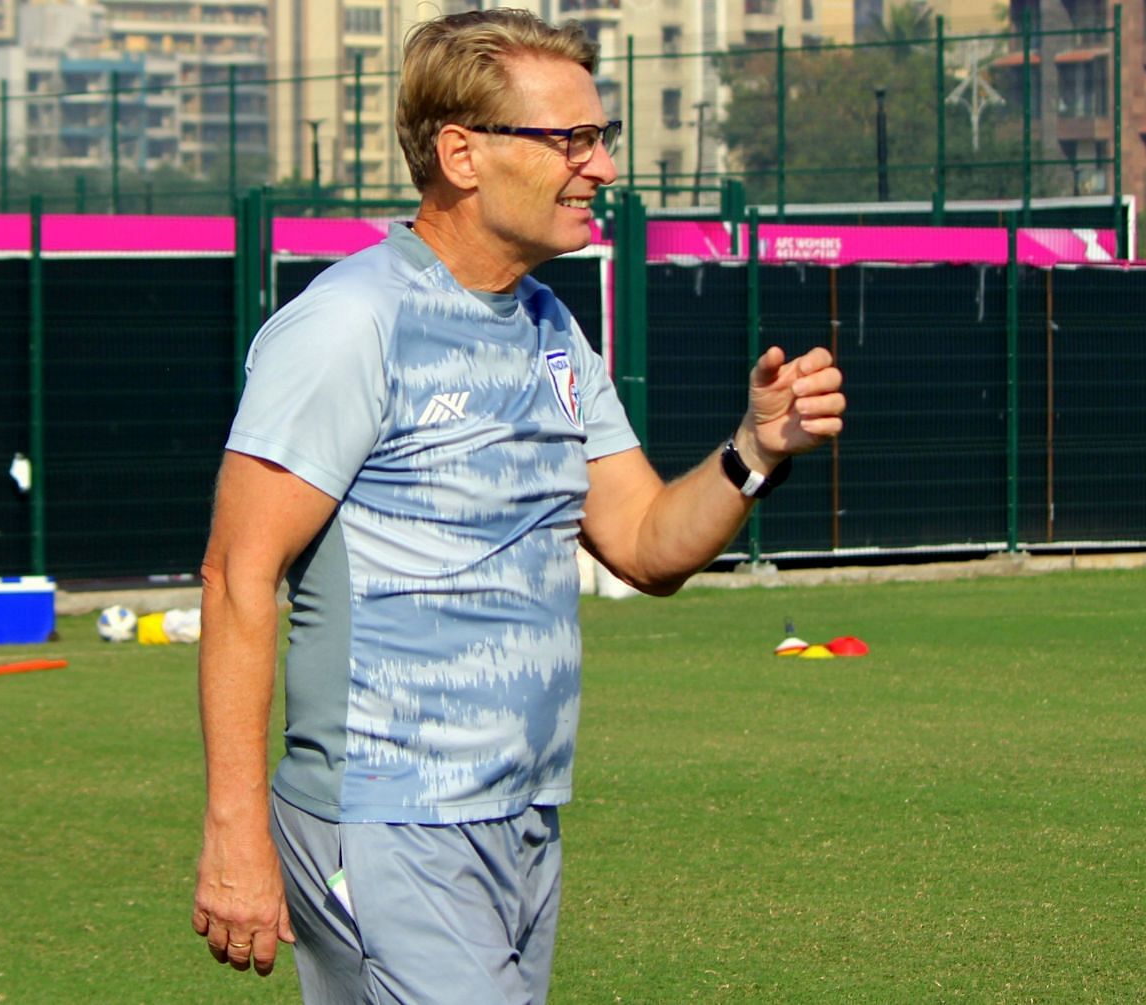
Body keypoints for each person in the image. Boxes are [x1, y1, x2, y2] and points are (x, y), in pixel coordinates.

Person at [192, 8, 845, 1002]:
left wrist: (753, 452)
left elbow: (643, 543)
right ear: (461, 153)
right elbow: (239, 577)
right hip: (385, 818)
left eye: (602, 138)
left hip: (523, 816)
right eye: (570, 140)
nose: (601, 168)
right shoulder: (346, 324)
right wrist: (234, 834)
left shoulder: (549, 327)